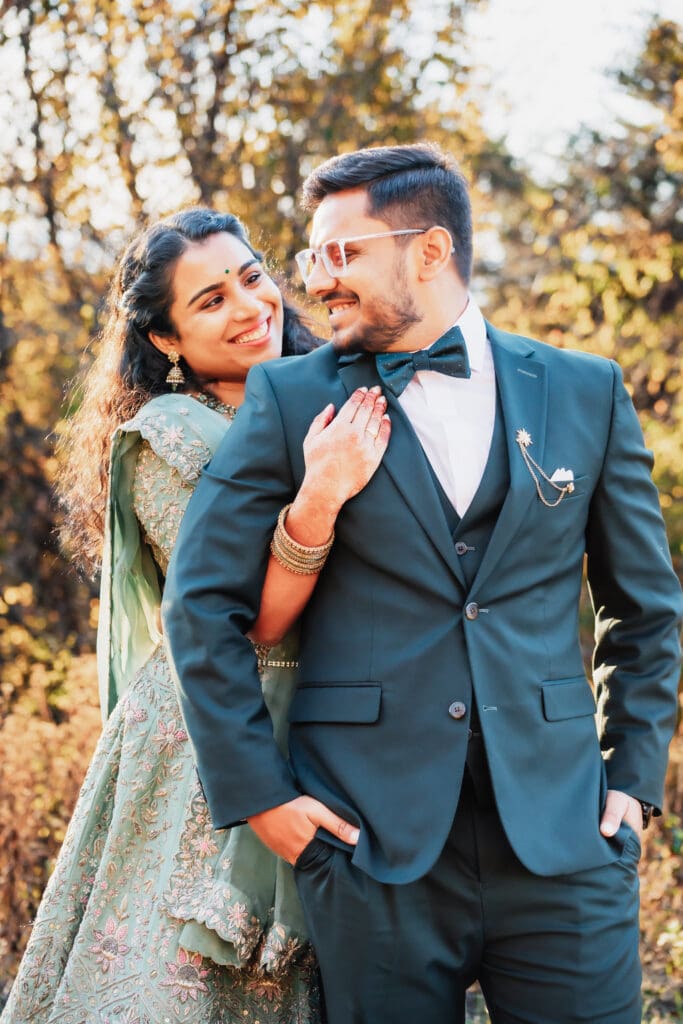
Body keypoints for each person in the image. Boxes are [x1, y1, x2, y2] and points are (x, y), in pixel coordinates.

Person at [163, 146, 683, 1024]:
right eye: (313, 257)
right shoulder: (291, 400)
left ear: (430, 252)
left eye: (345, 253)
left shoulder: (583, 391)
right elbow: (201, 603)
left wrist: (629, 782)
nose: (320, 281)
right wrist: (261, 800)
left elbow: (645, 610)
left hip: (565, 842)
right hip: (371, 850)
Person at [1, 207, 390, 1024]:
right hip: (210, 738)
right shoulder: (169, 440)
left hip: (343, 719)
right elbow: (253, 619)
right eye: (209, 300)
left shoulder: (344, 394)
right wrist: (319, 497)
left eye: (252, 277)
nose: (250, 306)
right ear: (167, 341)